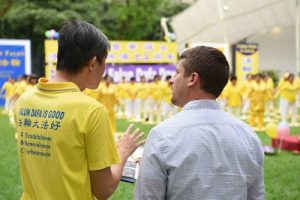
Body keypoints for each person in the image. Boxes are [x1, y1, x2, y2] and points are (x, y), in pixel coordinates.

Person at [14, 20, 143, 200]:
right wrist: (122, 151)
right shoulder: (91, 111)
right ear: (92, 63)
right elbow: (103, 190)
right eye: (104, 61)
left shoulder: (24, 101)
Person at [134, 46, 264, 200]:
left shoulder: (162, 135)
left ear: (192, 79)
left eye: (177, 73)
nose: (171, 79)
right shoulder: (248, 135)